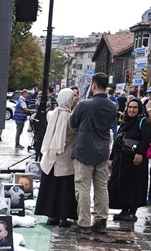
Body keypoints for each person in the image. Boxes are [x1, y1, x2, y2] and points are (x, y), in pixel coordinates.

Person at [70, 72, 116, 233]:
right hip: (102, 151)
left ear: (93, 85)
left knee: (83, 188)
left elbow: (72, 122)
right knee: (101, 187)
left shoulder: (84, 105)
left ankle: (83, 222)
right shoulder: (112, 106)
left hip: (84, 151)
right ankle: (101, 220)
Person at [36, 87, 78, 227]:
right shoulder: (71, 119)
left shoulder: (52, 114)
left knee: (51, 189)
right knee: (64, 190)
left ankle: (51, 216)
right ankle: (63, 217)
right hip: (66, 160)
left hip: (50, 158)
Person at [107, 98, 151, 225]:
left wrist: (140, 152)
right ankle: (124, 210)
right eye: (130, 107)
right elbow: (118, 140)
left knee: (134, 185)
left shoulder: (144, 122)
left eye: (135, 107)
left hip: (135, 161)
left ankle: (132, 211)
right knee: (120, 184)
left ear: (139, 109)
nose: (132, 110)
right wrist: (111, 158)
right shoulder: (125, 122)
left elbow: (146, 139)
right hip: (122, 160)